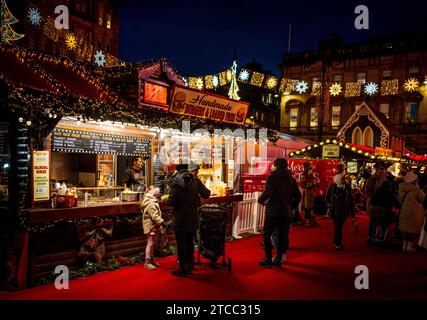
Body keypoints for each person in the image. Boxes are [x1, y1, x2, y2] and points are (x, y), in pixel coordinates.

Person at [163, 162, 210, 277]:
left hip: (179, 217)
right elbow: (206, 194)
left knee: (181, 242)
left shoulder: (175, 181)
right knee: (189, 241)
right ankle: (190, 265)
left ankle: (183, 268)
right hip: (192, 216)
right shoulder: (195, 180)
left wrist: (164, 200)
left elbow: (172, 201)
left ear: (178, 170)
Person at [258, 158, 301, 268]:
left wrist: (260, 200)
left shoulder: (272, 177)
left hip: (273, 211)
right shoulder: (291, 179)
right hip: (286, 212)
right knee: (282, 235)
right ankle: (278, 259)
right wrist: (292, 206)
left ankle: (268, 259)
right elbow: (298, 196)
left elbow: (268, 192)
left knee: (267, 234)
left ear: (276, 165)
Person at [326, 172, 357, 251]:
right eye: (342, 179)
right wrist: (330, 205)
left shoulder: (347, 187)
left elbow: (350, 200)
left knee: (339, 227)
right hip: (335, 211)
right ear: (337, 180)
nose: (344, 180)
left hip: (344, 210)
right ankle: (338, 243)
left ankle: (336, 241)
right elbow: (327, 198)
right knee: (338, 227)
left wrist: (352, 213)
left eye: (344, 179)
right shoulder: (332, 187)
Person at [398, 172, 426, 252]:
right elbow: (424, 200)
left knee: (404, 228)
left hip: (403, 211)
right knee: (412, 229)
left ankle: (404, 244)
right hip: (415, 213)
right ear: (415, 180)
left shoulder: (401, 188)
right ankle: (409, 245)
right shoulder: (417, 190)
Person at [141, 186, 164, 270]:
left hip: (153, 225)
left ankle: (151, 260)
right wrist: (162, 222)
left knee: (152, 243)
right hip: (150, 225)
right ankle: (147, 263)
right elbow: (154, 215)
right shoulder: (150, 202)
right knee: (150, 243)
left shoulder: (151, 200)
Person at [365, 162, 387, 239]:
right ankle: (371, 235)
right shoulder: (371, 179)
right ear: (376, 171)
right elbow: (367, 192)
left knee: (379, 219)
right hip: (372, 203)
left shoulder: (384, 180)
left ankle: (377, 235)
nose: (382, 174)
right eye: (380, 172)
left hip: (380, 203)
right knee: (373, 219)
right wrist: (376, 195)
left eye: (383, 172)